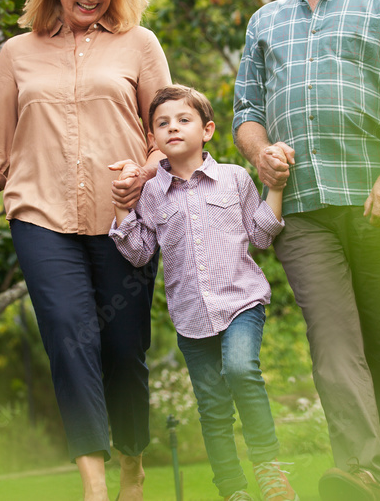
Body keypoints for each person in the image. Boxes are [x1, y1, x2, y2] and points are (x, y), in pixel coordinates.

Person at [0, 0, 171, 501]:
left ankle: (131, 464)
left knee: (123, 348)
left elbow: (167, 134)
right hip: (40, 219)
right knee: (69, 339)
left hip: (125, 223)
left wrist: (146, 171)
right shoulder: (18, 53)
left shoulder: (140, 44)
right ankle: (93, 486)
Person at [233, 0, 380, 501]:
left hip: (374, 200)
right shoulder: (266, 21)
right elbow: (245, 112)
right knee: (333, 336)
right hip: (305, 210)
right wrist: (261, 153)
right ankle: (366, 468)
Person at [109, 85, 298, 501]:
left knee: (240, 369)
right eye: (162, 123)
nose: (172, 127)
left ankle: (271, 472)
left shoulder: (234, 178)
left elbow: (262, 235)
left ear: (207, 129)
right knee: (212, 408)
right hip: (192, 319)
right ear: (151, 139)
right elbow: (139, 253)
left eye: (183, 120)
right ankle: (232, 490)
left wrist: (277, 187)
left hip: (241, 302)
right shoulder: (151, 192)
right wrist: (122, 204)